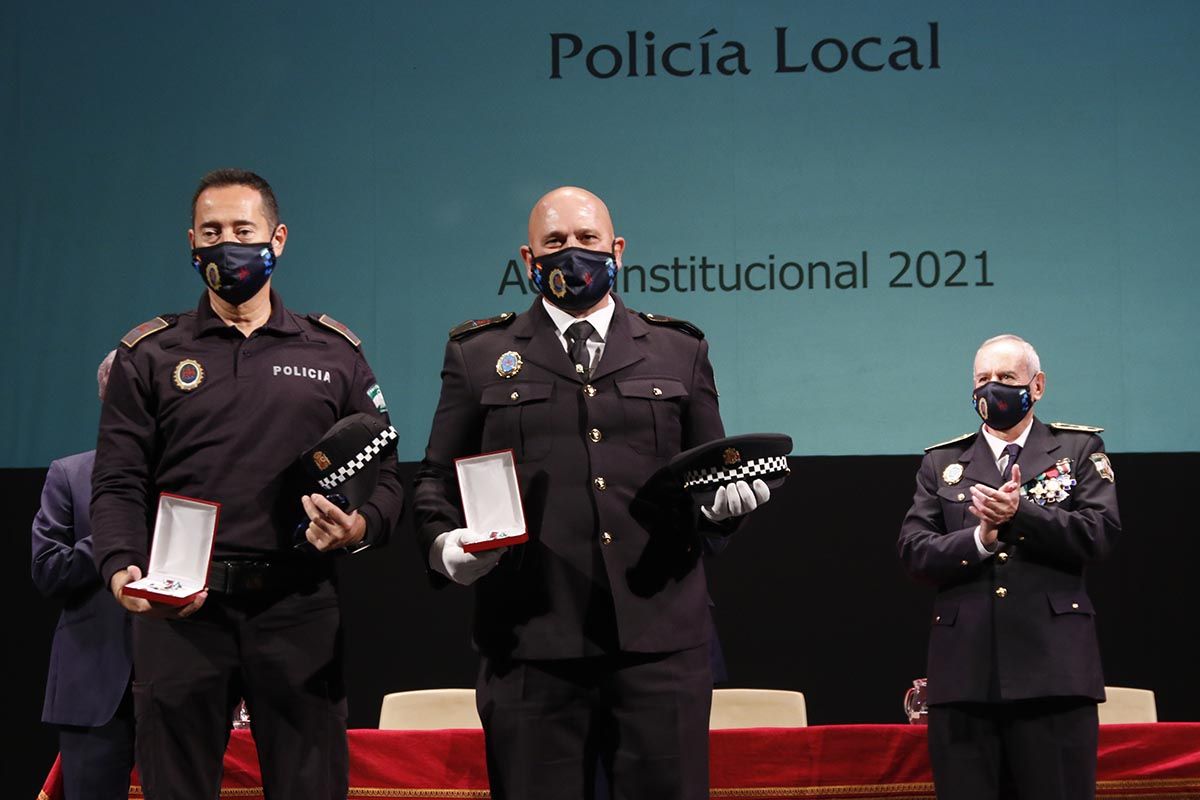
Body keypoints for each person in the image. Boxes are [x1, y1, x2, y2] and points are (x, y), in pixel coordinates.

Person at [414, 186, 769, 800]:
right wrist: (449, 549)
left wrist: (723, 509)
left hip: (661, 642)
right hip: (530, 641)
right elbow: (434, 482)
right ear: (529, 259)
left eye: (586, 240)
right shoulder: (479, 355)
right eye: (554, 243)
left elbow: (712, 475)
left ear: (618, 250)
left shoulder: (680, 349)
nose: (571, 254)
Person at [90, 168, 403, 800]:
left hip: (299, 607)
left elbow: (386, 478)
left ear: (278, 239)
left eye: (243, 229)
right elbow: (118, 479)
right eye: (212, 231)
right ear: (191, 243)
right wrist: (120, 565)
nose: (226, 245)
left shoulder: (335, 352)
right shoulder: (147, 354)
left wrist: (359, 527)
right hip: (180, 612)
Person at [898, 334, 1120, 800]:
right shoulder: (942, 463)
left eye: (1006, 378)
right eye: (982, 379)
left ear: (1036, 386)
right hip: (963, 677)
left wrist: (1021, 517)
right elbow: (915, 552)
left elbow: (1099, 534)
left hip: (1053, 673)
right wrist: (979, 539)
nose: (992, 388)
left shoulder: (1077, 450)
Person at [32, 350, 135, 800]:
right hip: (94, 689)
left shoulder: (190, 477)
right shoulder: (69, 475)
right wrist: (115, 534)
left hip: (181, 685)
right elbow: (48, 570)